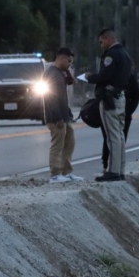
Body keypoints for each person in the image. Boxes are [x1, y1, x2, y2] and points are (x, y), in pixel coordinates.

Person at [85, 28, 133, 182]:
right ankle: (120, 170)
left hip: (109, 99)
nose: (101, 45)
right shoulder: (125, 55)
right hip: (120, 96)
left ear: (108, 39)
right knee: (119, 135)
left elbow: (105, 75)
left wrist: (90, 77)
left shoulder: (111, 55)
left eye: (101, 42)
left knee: (112, 137)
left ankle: (112, 171)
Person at [42, 47, 83, 184]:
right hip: (55, 117)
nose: (70, 64)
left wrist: (68, 114)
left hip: (65, 115)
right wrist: (57, 117)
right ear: (61, 58)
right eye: (69, 61)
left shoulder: (61, 72)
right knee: (57, 144)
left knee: (69, 142)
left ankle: (66, 172)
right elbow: (51, 97)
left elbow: (64, 94)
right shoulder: (51, 73)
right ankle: (55, 174)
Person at [101, 65, 139, 173]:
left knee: (120, 139)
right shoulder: (109, 77)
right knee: (108, 138)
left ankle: (116, 169)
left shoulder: (129, 77)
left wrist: (129, 111)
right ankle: (106, 165)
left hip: (124, 114)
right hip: (109, 110)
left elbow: (136, 95)